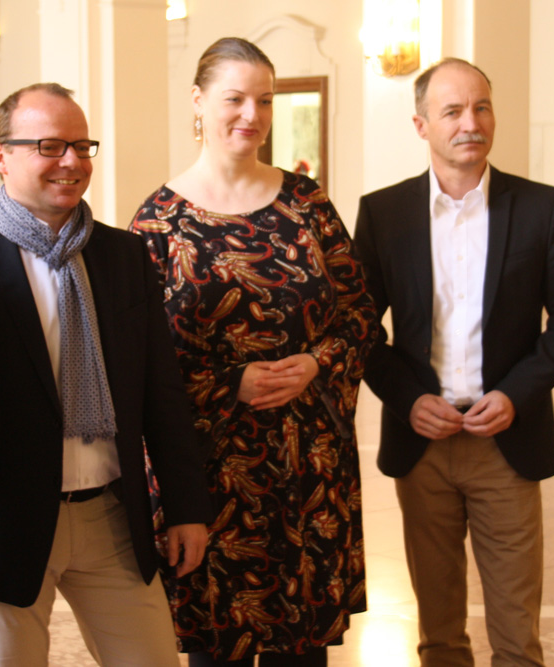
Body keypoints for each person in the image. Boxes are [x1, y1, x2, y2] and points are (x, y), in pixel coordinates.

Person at [0, 83, 213, 667]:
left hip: (111, 516)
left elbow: (162, 392)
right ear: (0, 156)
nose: (72, 161)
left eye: (81, 145)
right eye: (49, 145)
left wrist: (187, 505)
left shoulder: (121, 257)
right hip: (3, 529)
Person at [130, 38, 377, 666]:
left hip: (309, 465)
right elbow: (141, 363)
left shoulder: (307, 202)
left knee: (304, 652)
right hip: (212, 474)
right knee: (222, 647)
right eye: (234, 98)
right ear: (198, 102)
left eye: (264, 100)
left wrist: (318, 363)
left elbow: (358, 315)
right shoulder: (157, 224)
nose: (252, 115)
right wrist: (227, 383)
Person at [353, 58, 554, 666]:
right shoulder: (384, 214)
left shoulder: (541, 208)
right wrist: (409, 400)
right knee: (438, 632)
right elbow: (355, 328)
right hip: (423, 446)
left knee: (517, 634)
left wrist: (517, 392)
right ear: (421, 125)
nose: (471, 123)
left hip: (506, 445)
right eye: (453, 111)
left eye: (482, 107)